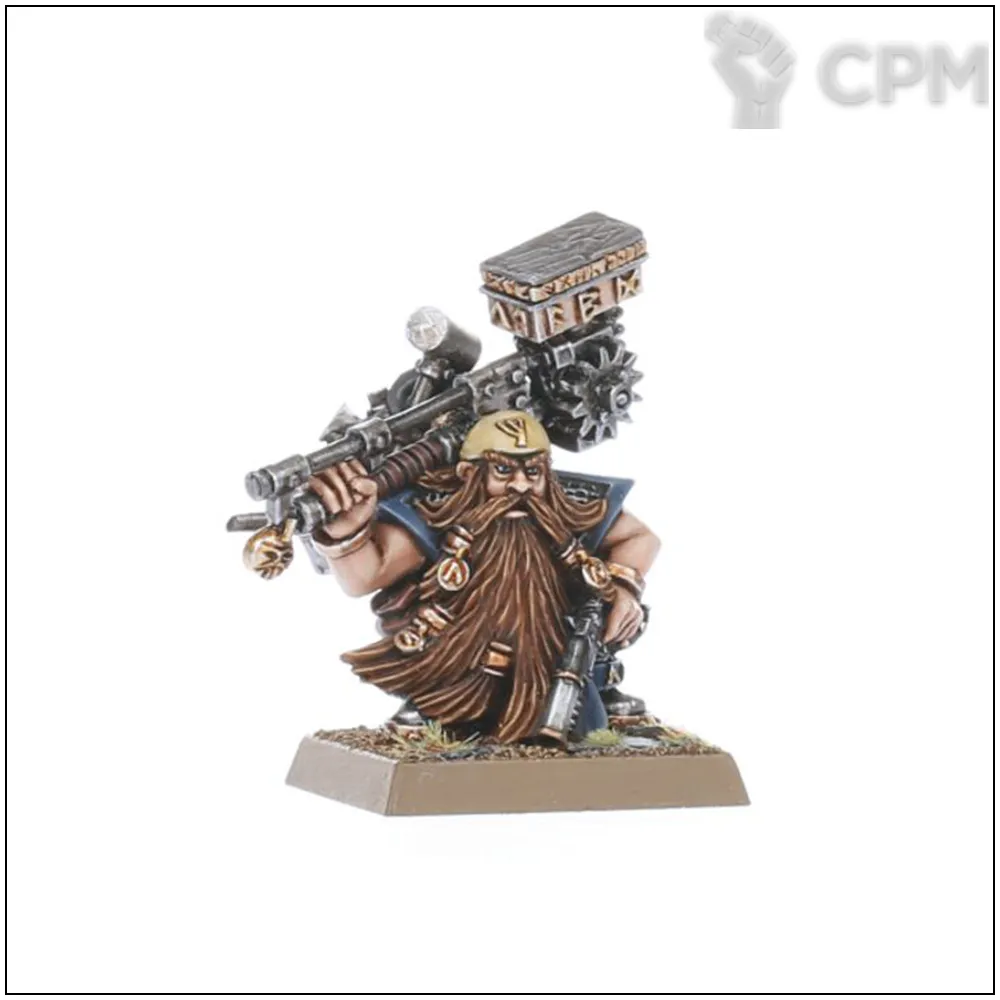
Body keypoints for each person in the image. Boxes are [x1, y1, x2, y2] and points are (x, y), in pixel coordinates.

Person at [308, 410, 661, 742]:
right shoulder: (439, 514)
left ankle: (601, 685)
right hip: (462, 666)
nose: (520, 486)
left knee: (596, 628)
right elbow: (366, 576)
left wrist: (623, 590)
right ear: (469, 474)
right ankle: (440, 706)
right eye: (503, 471)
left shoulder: (567, 507)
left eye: (533, 473)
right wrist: (346, 531)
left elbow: (640, 538)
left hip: (563, 654)